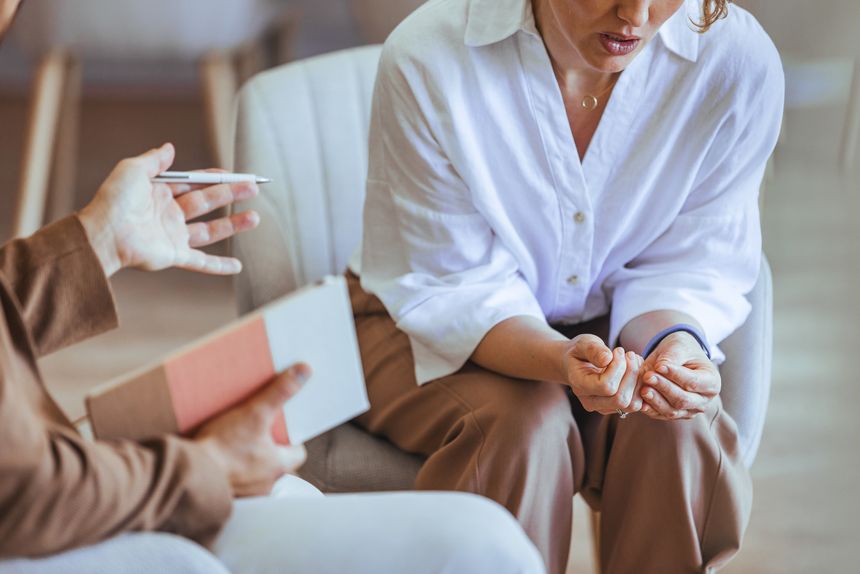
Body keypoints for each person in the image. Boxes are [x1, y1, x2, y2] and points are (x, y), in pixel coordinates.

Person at [0, 2, 546, 573]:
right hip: (45, 512)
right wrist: (206, 466)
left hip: (54, 478)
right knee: (484, 546)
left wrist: (93, 246)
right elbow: (23, 493)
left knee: (298, 497)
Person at [348, 0, 784, 572]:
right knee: (521, 426)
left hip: (613, 324)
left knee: (674, 426)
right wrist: (559, 360)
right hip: (423, 321)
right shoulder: (431, 55)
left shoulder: (736, 62)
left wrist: (671, 348)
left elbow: (690, 263)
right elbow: (450, 285)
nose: (636, 14)